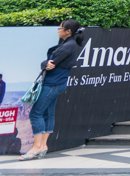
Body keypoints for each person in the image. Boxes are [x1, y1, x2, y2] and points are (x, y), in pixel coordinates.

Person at [20, 19, 83, 160]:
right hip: (57, 84)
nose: (58, 30)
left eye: (60, 28)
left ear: (68, 31)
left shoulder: (67, 46)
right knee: (48, 114)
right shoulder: (68, 44)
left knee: (35, 114)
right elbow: (47, 63)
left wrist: (44, 64)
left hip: (52, 84)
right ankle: (43, 146)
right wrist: (45, 63)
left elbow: (50, 64)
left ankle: (36, 147)